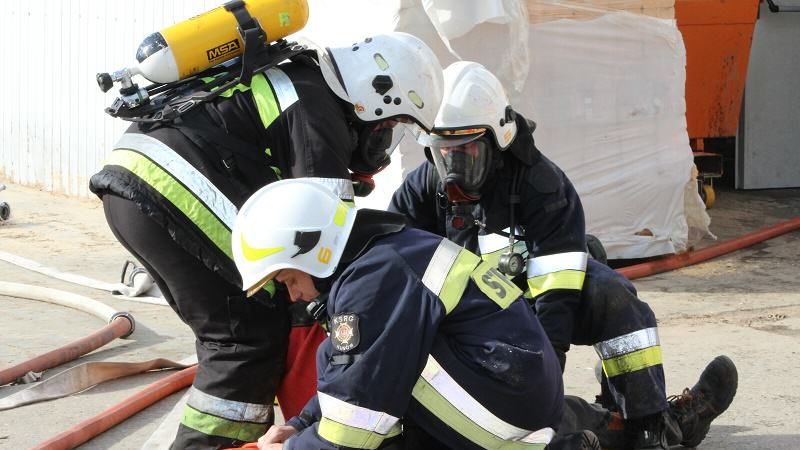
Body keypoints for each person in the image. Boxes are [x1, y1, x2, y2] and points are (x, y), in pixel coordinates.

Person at [89, 31, 444, 449]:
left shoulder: (301, 82)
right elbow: (327, 245)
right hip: (169, 189)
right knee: (245, 336)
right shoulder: (318, 113)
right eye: (388, 126)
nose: (383, 140)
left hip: (136, 185)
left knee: (241, 325)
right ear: (373, 97)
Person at [388, 61, 738, 449]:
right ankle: (666, 426)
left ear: (498, 140)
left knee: (612, 295)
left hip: (533, 308)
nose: (453, 166)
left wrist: (545, 376)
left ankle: (649, 423)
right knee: (516, 420)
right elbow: (392, 268)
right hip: (467, 323)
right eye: (444, 152)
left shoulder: (543, 186)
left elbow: (557, 296)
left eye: (467, 150)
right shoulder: (422, 190)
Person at [231, 178, 569, 450]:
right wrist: (299, 425)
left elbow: (353, 424)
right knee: (345, 358)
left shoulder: (375, 281)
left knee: (372, 415)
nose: (294, 295)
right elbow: (350, 375)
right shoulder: (387, 255)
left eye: (289, 279)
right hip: (515, 395)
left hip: (509, 422)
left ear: (313, 251)